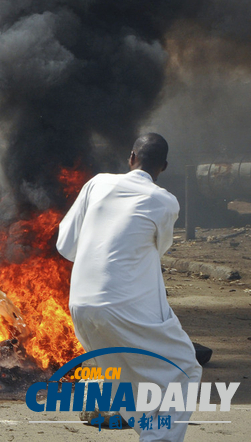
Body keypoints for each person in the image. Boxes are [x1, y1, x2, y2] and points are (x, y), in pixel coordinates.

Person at [56, 133, 202, 442]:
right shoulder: (164, 200)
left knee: (118, 371)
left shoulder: (96, 183)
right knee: (186, 367)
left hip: (80, 305)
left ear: (131, 158)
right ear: (163, 167)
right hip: (121, 307)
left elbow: (65, 245)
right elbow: (158, 248)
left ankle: (122, 418)